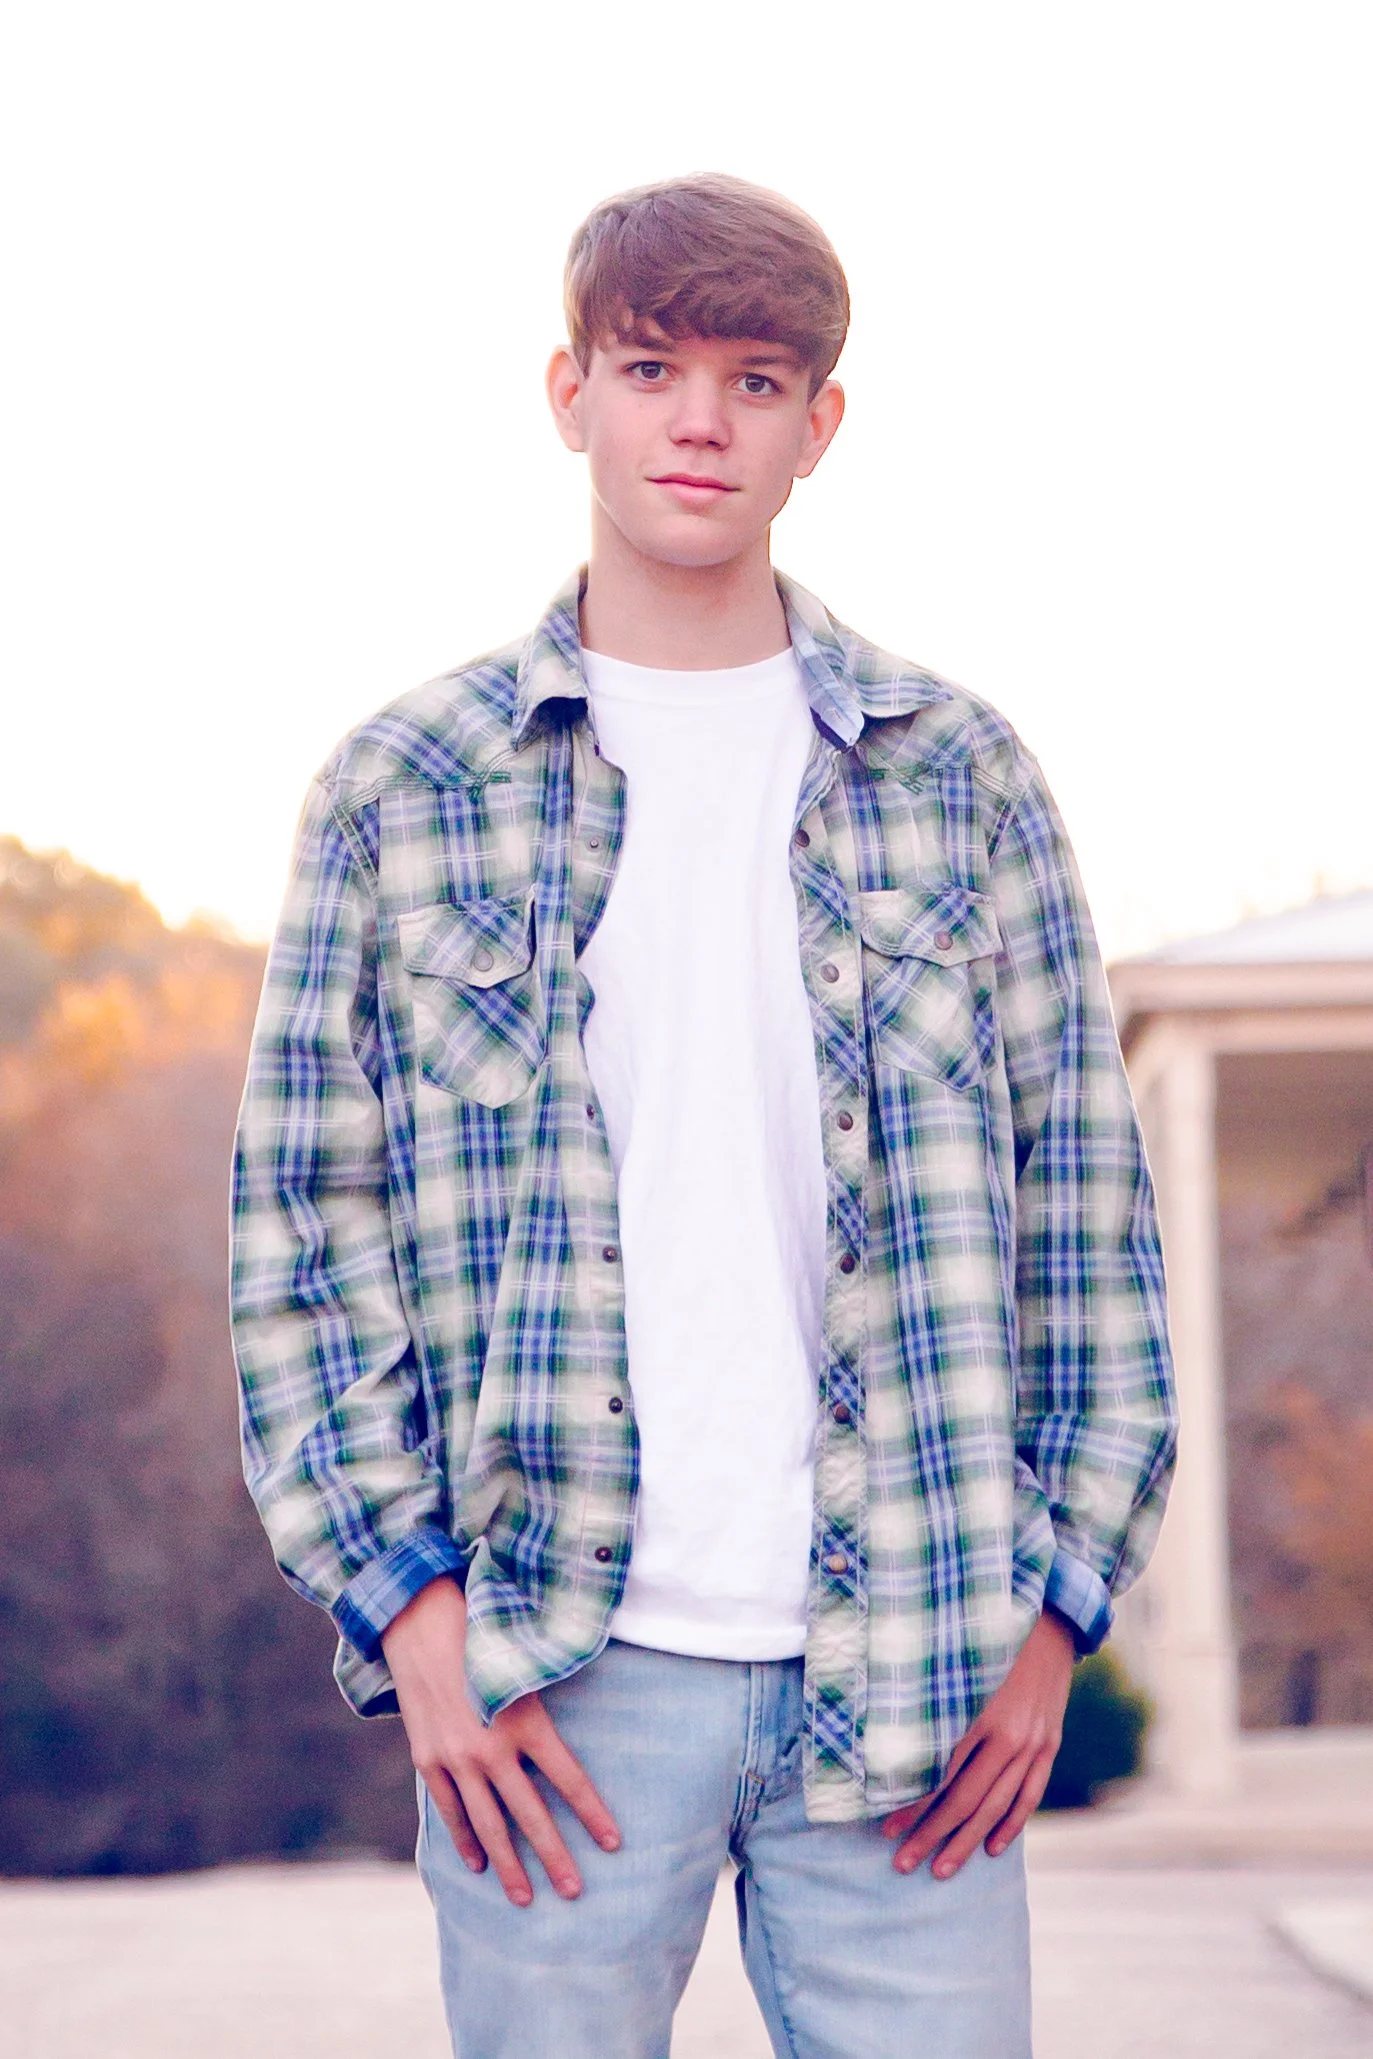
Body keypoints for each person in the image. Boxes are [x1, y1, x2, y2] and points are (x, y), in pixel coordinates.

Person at [230, 173, 1177, 2058]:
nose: (697, 421)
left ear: (821, 428)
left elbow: (1086, 1217)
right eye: (652, 366)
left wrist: (1056, 1619)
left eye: (756, 382)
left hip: (913, 1666)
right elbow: (299, 1240)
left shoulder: (962, 776)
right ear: (566, 386)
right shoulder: (401, 788)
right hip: (553, 1681)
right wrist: (415, 1621)